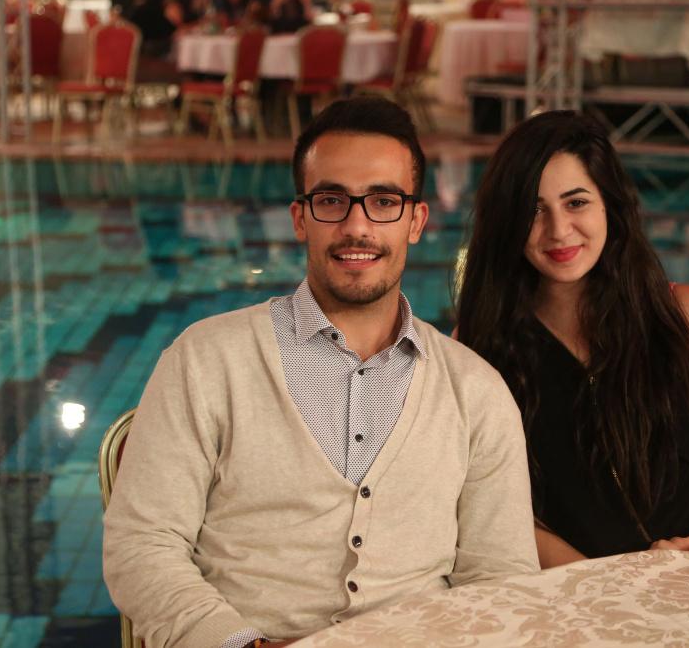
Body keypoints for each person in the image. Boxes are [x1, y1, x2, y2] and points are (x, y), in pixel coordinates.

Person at [103, 96, 539, 647]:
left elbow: (501, 577)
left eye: (384, 201)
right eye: (331, 200)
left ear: (416, 221)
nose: (357, 226)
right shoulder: (205, 360)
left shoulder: (475, 390)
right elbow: (142, 545)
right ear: (299, 218)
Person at [455, 111, 689, 566]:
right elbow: (495, 509)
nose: (559, 230)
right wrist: (602, 582)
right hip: (580, 588)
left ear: (609, 205)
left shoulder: (688, 316)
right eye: (534, 210)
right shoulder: (480, 349)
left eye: (576, 202)